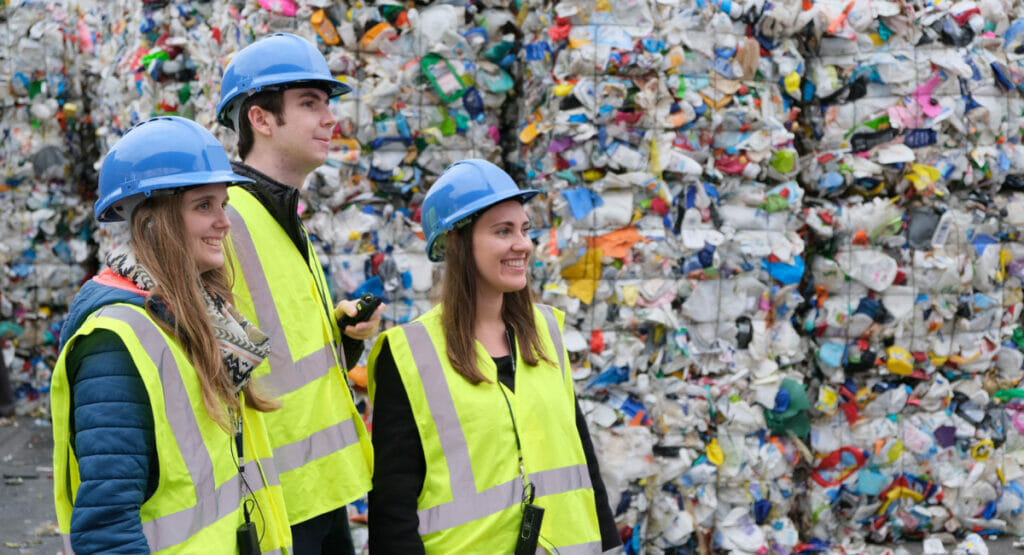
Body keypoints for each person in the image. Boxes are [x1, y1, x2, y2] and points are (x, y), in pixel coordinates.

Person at [51, 116, 292, 553]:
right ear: (153, 221)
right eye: (204, 206)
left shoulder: (194, 317)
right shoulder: (115, 343)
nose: (225, 222)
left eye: (222, 204)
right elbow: (107, 527)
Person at [367, 159, 622, 553]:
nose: (522, 244)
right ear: (457, 242)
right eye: (503, 231)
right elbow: (392, 508)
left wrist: (610, 547)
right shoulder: (409, 354)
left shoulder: (547, 333)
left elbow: (583, 460)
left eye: (524, 229)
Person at [216, 33, 382, 554]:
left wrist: (344, 339)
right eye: (310, 103)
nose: (330, 118)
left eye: (328, 103)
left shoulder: (281, 214)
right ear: (261, 120)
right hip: (272, 501)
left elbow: (276, 349)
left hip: (319, 492)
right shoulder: (226, 222)